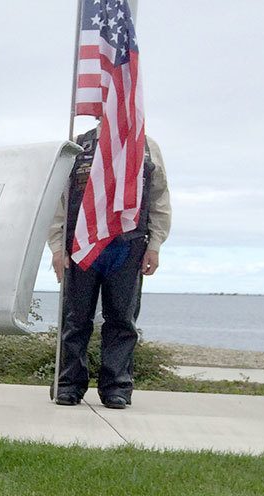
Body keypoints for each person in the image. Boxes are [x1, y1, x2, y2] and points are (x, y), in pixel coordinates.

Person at [49, 127, 171, 408]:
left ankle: (117, 387)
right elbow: (59, 199)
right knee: (75, 319)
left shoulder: (147, 146)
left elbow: (159, 197)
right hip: (82, 246)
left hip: (127, 247)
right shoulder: (79, 145)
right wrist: (57, 247)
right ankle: (68, 384)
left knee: (122, 320)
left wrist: (155, 243)